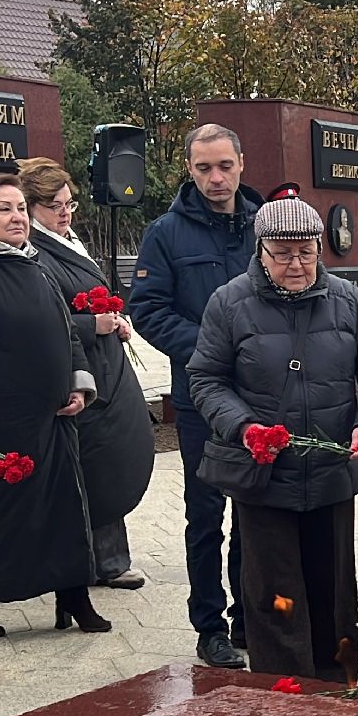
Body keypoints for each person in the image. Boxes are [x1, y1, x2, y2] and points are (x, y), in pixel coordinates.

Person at [188, 191, 358, 678]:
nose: (296, 264)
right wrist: (244, 426)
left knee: (334, 587)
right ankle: (282, 690)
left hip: (331, 470)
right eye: (283, 253)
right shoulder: (229, 301)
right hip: (264, 475)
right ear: (260, 250)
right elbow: (206, 379)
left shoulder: (347, 299)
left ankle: (338, 684)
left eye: (306, 252)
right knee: (273, 591)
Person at [0, 175, 104, 639]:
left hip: (53, 418)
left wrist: (77, 385)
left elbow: (66, 333)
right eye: (4, 209)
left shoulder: (36, 266)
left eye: (21, 209)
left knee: (65, 508)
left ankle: (73, 595)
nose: (17, 218)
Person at [133, 124, 262, 669]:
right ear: (189, 170)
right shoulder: (166, 233)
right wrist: (213, 348)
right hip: (201, 398)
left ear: (240, 164)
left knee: (255, 513)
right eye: (204, 168)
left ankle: (249, 615)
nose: (216, 178)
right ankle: (209, 625)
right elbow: (148, 309)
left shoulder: (266, 226)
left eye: (224, 167)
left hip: (263, 395)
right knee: (206, 514)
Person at [20, 158, 154, 591]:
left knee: (105, 460)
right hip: (74, 370)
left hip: (103, 366)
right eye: (54, 205)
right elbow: (33, 318)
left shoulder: (68, 240)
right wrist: (90, 325)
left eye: (69, 203)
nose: (64, 212)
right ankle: (95, 560)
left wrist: (116, 319)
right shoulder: (33, 251)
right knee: (90, 464)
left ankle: (107, 557)